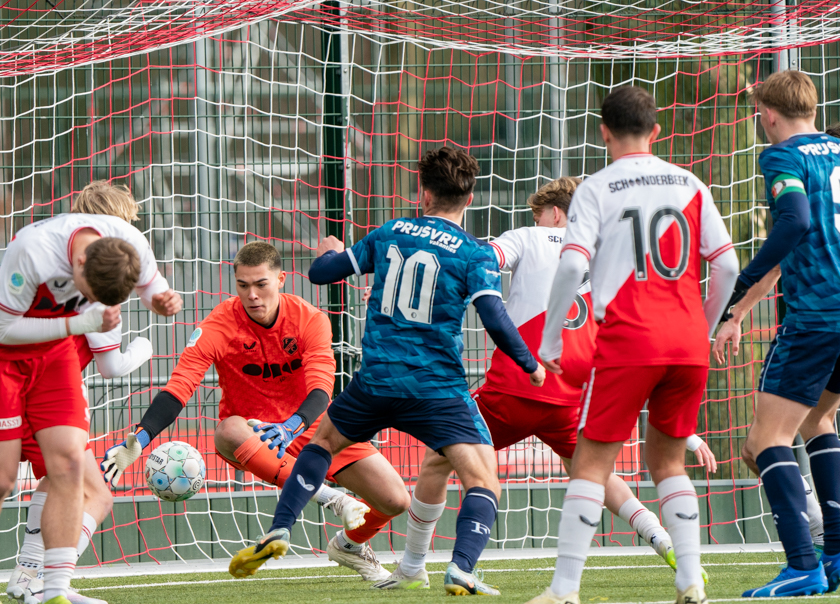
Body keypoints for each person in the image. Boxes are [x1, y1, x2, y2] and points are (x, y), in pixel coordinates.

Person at [227, 146, 546, 596]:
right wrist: (530, 365)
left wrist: (329, 251)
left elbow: (321, 275)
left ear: (423, 192)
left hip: (375, 380)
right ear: (469, 198)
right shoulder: (475, 255)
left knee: (322, 443)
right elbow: (494, 317)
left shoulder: (391, 232)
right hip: (437, 388)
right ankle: (460, 567)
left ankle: (281, 527)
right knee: (482, 478)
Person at [375, 177, 716, 590]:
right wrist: (689, 434)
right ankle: (666, 543)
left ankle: (413, 565)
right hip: (569, 398)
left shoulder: (528, 236)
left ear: (554, 214)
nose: (537, 220)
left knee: (436, 460)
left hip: (514, 389)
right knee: (591, 470)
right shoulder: (609, 256)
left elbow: (484, 258)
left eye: (539, 213)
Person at [524, 86, 738, 604]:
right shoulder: (690, 182)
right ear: (657, 131)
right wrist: (703, 328)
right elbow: (728, 265)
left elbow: (573, 264)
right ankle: (690, 580)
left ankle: (564, 590)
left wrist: (551, 339)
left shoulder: (597, 188)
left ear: (604, 132)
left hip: (629, 338)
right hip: (686, 342)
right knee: (667, 463)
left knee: (591, 466)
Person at [100, 241, 409, 581]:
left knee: (396, 500)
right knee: (227, 430)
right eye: (243, 286)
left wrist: (293, 425)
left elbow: (321, 388)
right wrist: (140, 439)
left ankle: (348, 546)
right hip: (256, 436)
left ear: (281, 280)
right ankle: (333, 498)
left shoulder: (311, 320)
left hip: (314, 428)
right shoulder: (218, 326)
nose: (252, 295)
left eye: (261, 284)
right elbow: (179, 388)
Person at [0, 209, 182, 604]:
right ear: (78, 261)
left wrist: (160, 299)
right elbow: (4, 329)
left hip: (54, 355)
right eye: (85, 295)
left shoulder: (131, 245)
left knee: (69, 466)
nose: (86, 303)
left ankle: (52, 594)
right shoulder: (32, 251)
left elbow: (154, 287)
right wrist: (79, 324)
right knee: (0, 480)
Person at [711, 71, 840, 597]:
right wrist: (739, 311)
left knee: (764, 441)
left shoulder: (781, 156)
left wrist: (734, 288)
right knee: (820, 419)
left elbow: (793, 224)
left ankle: (802, 564)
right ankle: (834, 553)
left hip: (815, 317)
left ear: (767, 113)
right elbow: (794, 251)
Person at [6, 182, 155, 604]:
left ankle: (27, 577)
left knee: (55, 483)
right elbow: (112, 368)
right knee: (97, 495)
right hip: (45, 395)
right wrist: (144, 349)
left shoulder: (55, 269)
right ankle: (49, 583)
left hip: (14, 384)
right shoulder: (103, 288)